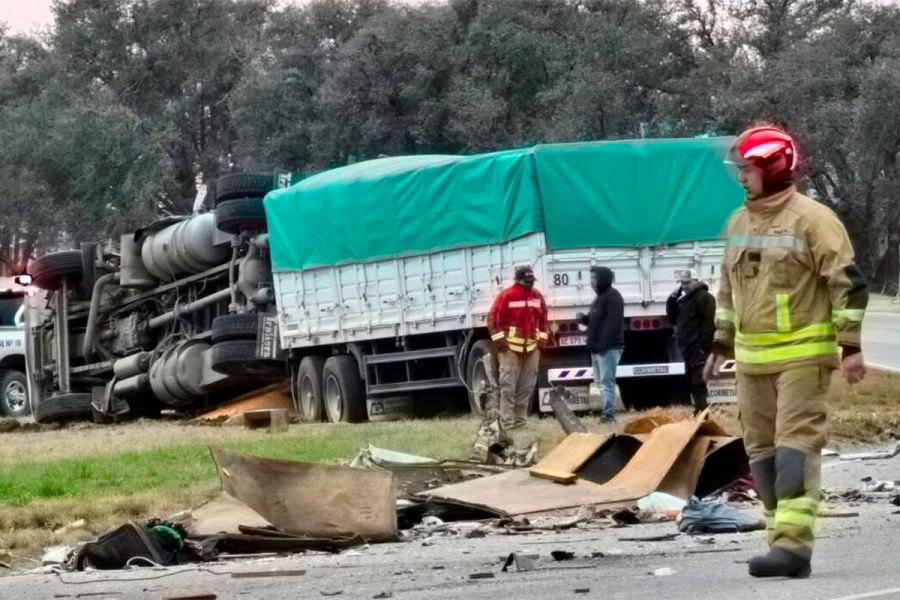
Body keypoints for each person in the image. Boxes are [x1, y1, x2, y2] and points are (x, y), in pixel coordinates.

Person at [704, 125, 868, 579]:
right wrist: (720, 342)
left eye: (748, 169)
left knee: (795, 450)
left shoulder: (813, 220)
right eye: (738, 169)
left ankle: (794, 548)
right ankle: (780, 542)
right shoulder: (738, 223)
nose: (741, 177)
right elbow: (727, 291)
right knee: (762, 457)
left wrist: (850, 346)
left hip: (802, 359)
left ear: (774, 168)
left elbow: (848, 284)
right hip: (752, 364)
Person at [487, 266, 549, 431]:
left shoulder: (537, 296)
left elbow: (543, 320)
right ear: (518, 280)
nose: (529, 284)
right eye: (526, 281)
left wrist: (541, 342)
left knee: (526, 387)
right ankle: (507, 424)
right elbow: (493, 320)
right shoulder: (506, 295)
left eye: (531, 281)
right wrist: (501, 343)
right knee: (508, 387)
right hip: (510, 349)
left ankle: (520, 422)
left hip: (531, 348)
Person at [576, 266, 624, 422]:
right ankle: (606, 413)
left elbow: (613, 324)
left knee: (607, 381)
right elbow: (596, 319)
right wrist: (584, 319)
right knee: (600, 382)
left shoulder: (613, 297)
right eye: (591, 279)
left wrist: (602, 345)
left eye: (594, 279)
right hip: (597, 348)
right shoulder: (599, 298)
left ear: (603, 279)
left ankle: (608, 416)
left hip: (608, 348)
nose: (591, 283)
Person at [666, 268, 716, 414]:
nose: (684, 286)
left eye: (687, 282)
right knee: (690, 382)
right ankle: (698, 412)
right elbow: (672, 319)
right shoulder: (683, 300)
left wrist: (703, 348)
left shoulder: (706, 298)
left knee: (698, 382)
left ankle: (702, 414)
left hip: (698, 348)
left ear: (696, 280)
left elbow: (709, 325)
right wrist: (671, 300)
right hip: (687, 348)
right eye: (681, 283)